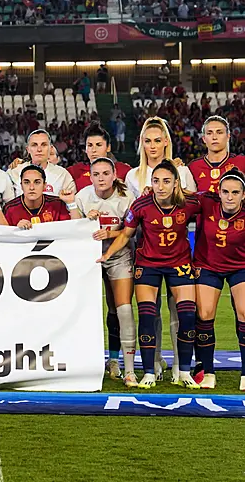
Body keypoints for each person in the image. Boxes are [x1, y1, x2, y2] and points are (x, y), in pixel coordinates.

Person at [102, 160, 202, 389]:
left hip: (180, 264)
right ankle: (148, 372)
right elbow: (126, 234)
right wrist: (108, 253)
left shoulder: (190, 203)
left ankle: (184, 371)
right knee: (147, 316)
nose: (161, 186)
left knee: (187, 316)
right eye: (156, 181)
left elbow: (215, 201)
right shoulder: (141, 205)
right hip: (148, 265)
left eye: (167, 181)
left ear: (176, 183)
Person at [76, 157, 137, 386]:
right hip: (88, 258)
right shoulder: (82, 197)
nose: (101, 178)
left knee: (122, 309)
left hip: (119, 256)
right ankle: (82, 362)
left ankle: (127, 369)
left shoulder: (126, 198)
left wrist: (109, 234)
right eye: (96, 174)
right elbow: (72, 229)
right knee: (82, 310)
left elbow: (131, 231)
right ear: (90, 177)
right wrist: (86, 222)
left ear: (114, 176)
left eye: (105, 174)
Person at [193, 169, 245, 391]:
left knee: (244, 311)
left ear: (244, 194)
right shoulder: (206, 202)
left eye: (235, 192)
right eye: (225, 192)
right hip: (208, 265)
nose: (230, 197)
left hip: (241, 267)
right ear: (219, 192)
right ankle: (207, 372)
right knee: (204, 313)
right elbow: (178, 196)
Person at [125, 117, 196, 198]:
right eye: (148, 141)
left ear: (166, 142)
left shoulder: (182, 171)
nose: (152, 146)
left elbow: (194, 203)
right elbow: (130, 208)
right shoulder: (132, 176)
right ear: (142, 143)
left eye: (157, 141)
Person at [3, 165, 81, 229]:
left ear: (44, 185)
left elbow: (74, 229)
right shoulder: (10, 208)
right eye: (26, 182)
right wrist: (15, 230)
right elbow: (4, 238)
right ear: (21, 186)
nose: (31, 187)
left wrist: (71, 203)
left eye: (37, 182)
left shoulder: (57, 204)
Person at [7, 130, 76, 196]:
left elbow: (72, 202)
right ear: (28, 149)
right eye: (34, 145)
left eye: (44, 145)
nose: (39, 149)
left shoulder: (62, 175)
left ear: (50, 148)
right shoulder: (14, 172)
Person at [188, 116, 245, 194]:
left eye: (219, 132)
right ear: (204, 138)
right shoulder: (193, 167)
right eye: (209, 133)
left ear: (228, 137)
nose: (214, 137)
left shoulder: (242, 162)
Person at [67, 123, 131, 191]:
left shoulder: (124, 170)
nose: (94, 150)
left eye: (98, 145)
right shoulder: (75, 171)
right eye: (90, 145)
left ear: (108, 147)